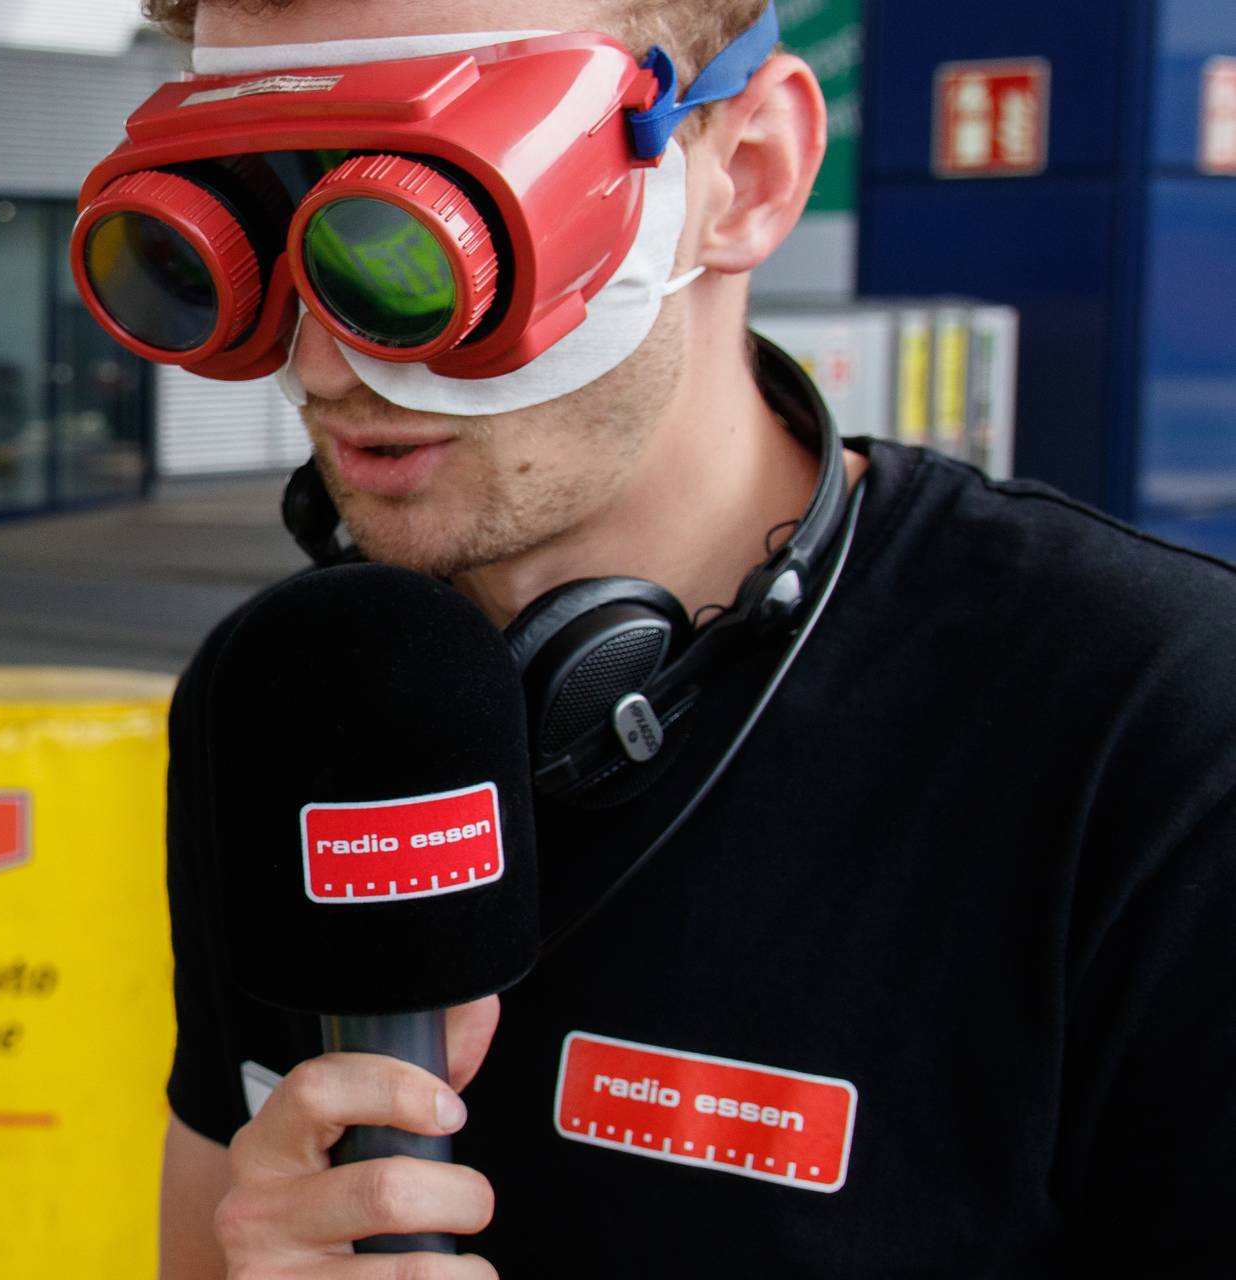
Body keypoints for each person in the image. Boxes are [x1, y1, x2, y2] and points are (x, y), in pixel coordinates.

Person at [122, 1, 1236, 1276]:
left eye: (415, 236)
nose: (324, 360)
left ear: (746, 177)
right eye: (257, 224)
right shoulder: (282, 696)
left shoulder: (1158, 735)